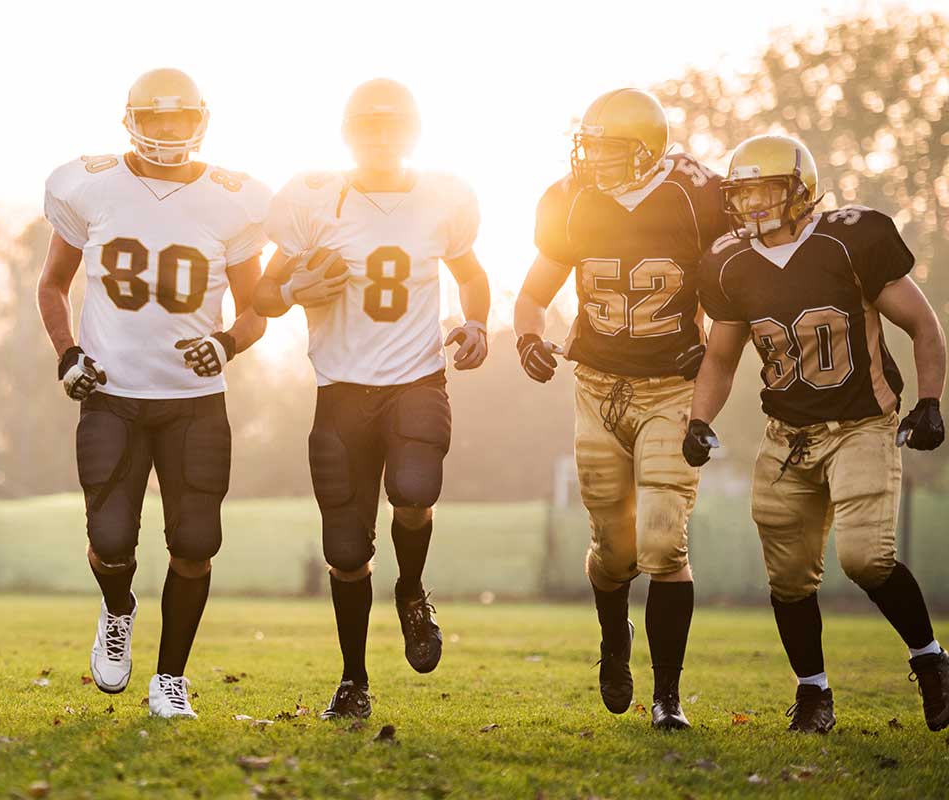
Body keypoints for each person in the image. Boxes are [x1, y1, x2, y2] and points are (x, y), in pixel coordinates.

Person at [687, 133, 948, 733]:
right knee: (787, 576)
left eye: (766, 190)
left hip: (862, 423)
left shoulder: (852, 238)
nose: (752, 205)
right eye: (743, 192)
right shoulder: (728, 262)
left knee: (865, 558)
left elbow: (923, 325)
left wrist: (930, 402)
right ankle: (813, 692)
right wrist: (699, 419)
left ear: (800, 189)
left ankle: (931, 659)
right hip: (786, 436)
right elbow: (722, 358)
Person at [36, 68, 271, 718]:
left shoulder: (233, 198)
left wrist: (227, 343)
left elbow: (256, 311)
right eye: (155, 118)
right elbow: (52, 285)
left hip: (194, 401)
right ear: (131, 119)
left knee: (195, 543)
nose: (168, 132)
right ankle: (118, 609)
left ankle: (170, 679)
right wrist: (66, 355)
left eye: (179, 119)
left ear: (199, 121)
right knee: (111, 541)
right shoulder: (91, 185)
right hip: (110, 393)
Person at [252, 78, 489, 719]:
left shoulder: (442, 197)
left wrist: (475, 322)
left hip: (415, 380)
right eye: (369, 127)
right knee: (346, 551)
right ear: (351, 134)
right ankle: (354, 679)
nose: (381, 138)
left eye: (392, 127)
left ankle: (411, 590)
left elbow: (471, 274)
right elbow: (264, 297)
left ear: (411, 134)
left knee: (415, 494)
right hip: (340, 391)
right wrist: (298, 285)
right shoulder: (314, 200)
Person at [513, 88, 733, 729]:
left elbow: (739, 296)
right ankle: (615, 641)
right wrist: (528, 336)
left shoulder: (699, 195)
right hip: (597, 387)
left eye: (608, 151)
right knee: (613, 551)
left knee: (663, 543)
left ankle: (667, 696)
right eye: (590, 149)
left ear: (647, 150)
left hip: (671, 387)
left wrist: (712, 359)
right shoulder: (572, 198)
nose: (594, 163)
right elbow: (531, 293)